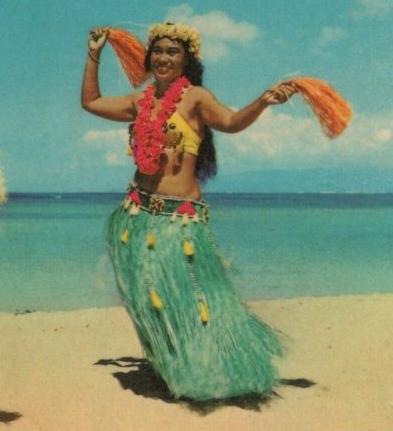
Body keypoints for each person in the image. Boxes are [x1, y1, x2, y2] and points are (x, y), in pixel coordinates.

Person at [81, 22, 296, 401]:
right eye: (158, 51)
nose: (164, 58)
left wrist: (262, 102)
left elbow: (230, 122)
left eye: (172, 52)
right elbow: (91, 102)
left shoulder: (195, 98)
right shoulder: (139, 101)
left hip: (179, 221)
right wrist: (94, 54)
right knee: (152, 299)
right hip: (137, 214)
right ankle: (172, 364)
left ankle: (211, 369)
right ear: (149, 58)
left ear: (186, 60)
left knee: (198, 301)